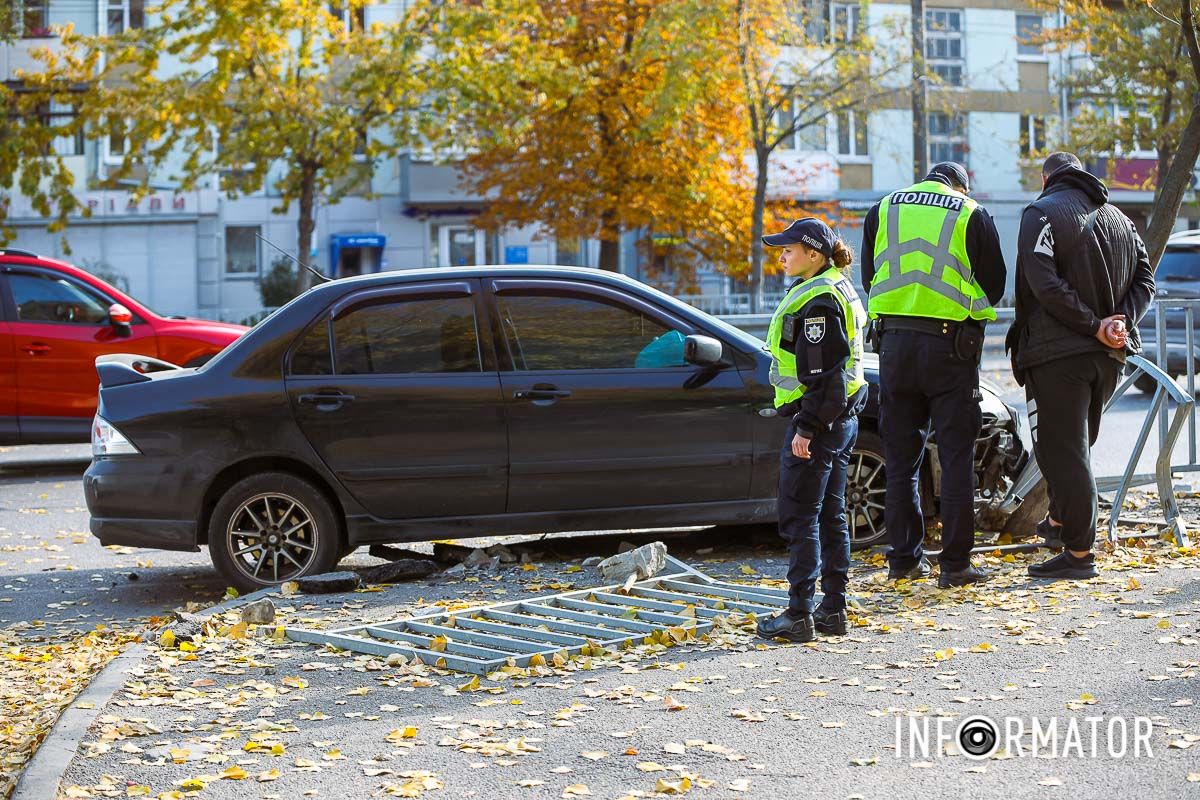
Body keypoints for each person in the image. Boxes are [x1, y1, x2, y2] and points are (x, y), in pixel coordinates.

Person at [1007, 152, 1155, 579]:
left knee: (1064, 450)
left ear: (1046, 178)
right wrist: (1118, 323)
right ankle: (1059, 523)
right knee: (1073, 446)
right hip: (1107, 357)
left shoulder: (1041, 213)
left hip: (1060, 354)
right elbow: (1146, 280)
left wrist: (1094, 326)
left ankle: (1078, 554)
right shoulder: (1122, 220)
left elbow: (1043, 283)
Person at [860, 162, 1006, 588]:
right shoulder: (970, 212)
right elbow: (994, 285)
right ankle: (956, 565)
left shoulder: (883, 208)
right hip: (950, 350)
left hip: (894, 347)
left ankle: (903, 560)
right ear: (960, 185)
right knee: (957, 459)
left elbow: (871, 277)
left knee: (902, 460)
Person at [756, 217, 869, 643]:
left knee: (801, 517)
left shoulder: (819, 300)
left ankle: (799, 614)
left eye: (789, 249)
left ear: (814, 255)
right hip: (840, 422)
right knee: (830, 515)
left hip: (819, 423)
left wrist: (806, 428)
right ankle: (833, 610)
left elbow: (827, 376)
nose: (782, 256)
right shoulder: (835, 286)